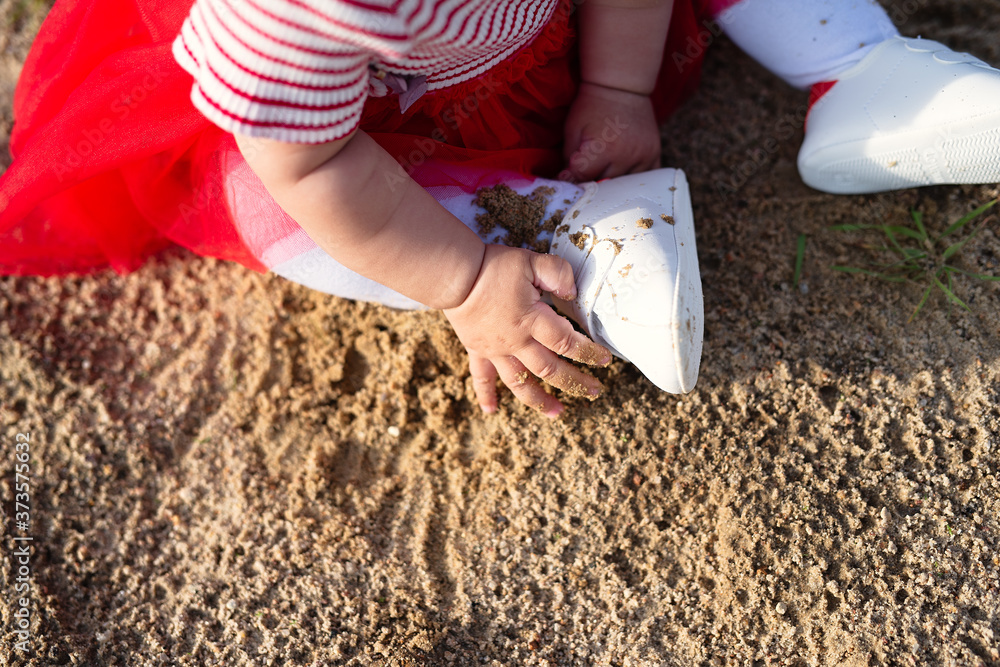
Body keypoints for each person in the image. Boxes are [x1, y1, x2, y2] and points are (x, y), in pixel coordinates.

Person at [3, 0, 999, 416]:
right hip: (380, 127)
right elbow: (311, 167)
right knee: (260, 197)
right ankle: (545, 236)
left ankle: (864, 74)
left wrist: (614, 86)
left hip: (574, 29)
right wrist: (466, 281)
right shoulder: (283, 16)